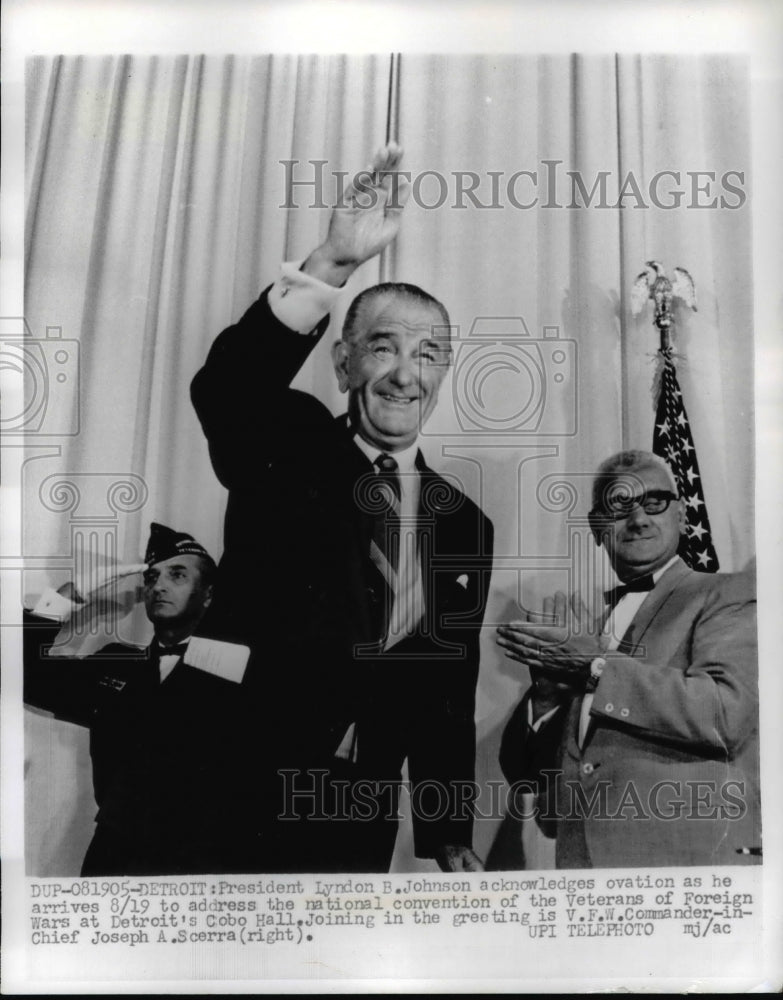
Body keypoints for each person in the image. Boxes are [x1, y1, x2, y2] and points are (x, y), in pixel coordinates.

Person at [191, 143, 494, 873]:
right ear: (343, 362)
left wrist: (445, 829)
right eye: (383, 347)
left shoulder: (461, 521)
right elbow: (228, 387)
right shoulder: (287, 443)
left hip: (357, 804)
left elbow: (444, 682)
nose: (404, 374)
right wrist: (331, 261)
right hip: (229, 777)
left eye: (427, 355)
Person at [497, 450, 760, 869]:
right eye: (620, 505)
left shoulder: (727, 594)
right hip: (581, 865)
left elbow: (725, 714)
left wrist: (597, 667)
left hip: (684, 864)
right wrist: (546, 697)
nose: (639, 519)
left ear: (681, 515)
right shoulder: (588, 630)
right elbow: (530, 779)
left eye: (654, 502)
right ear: (597, 526)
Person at [24, 522, 247, 875]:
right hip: (115, 854)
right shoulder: (119, 665)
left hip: (204, 861)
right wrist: (70, 595)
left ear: (208, 594)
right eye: (151, 577)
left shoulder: (242, 668)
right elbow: (25, 676)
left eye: (177, 575)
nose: (158, 585)